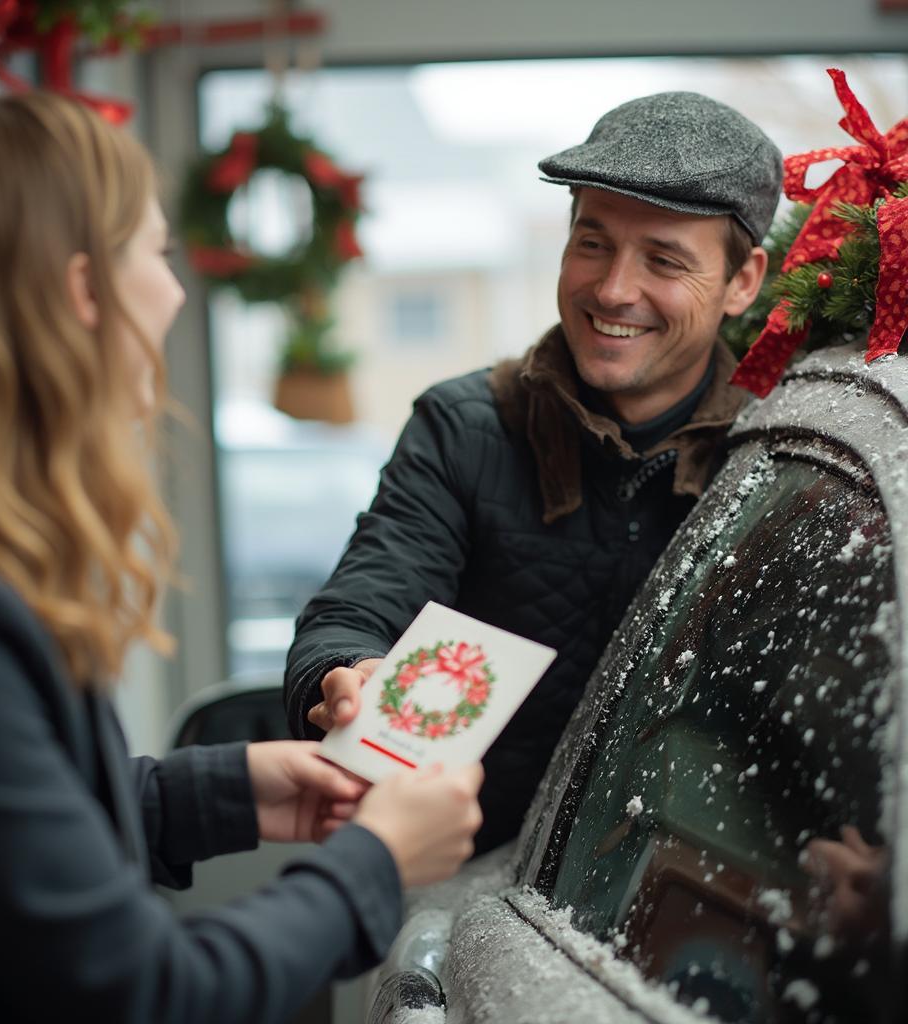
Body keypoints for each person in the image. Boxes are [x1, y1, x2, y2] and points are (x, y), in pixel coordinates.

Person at [0, 93, 483, 1023]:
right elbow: (144, 992)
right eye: (155, 255)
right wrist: (375, 864)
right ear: (83, 291)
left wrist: (224, 793)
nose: (172, 292)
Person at [284, 90, 782, 854]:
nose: (613, 289)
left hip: (683, 900)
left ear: (743, 281)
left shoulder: (778, 458)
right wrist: (347, 674)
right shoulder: (462, 428)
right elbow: (360, 608)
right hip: (453, 885)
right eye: (592, 242)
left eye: (664, 260)